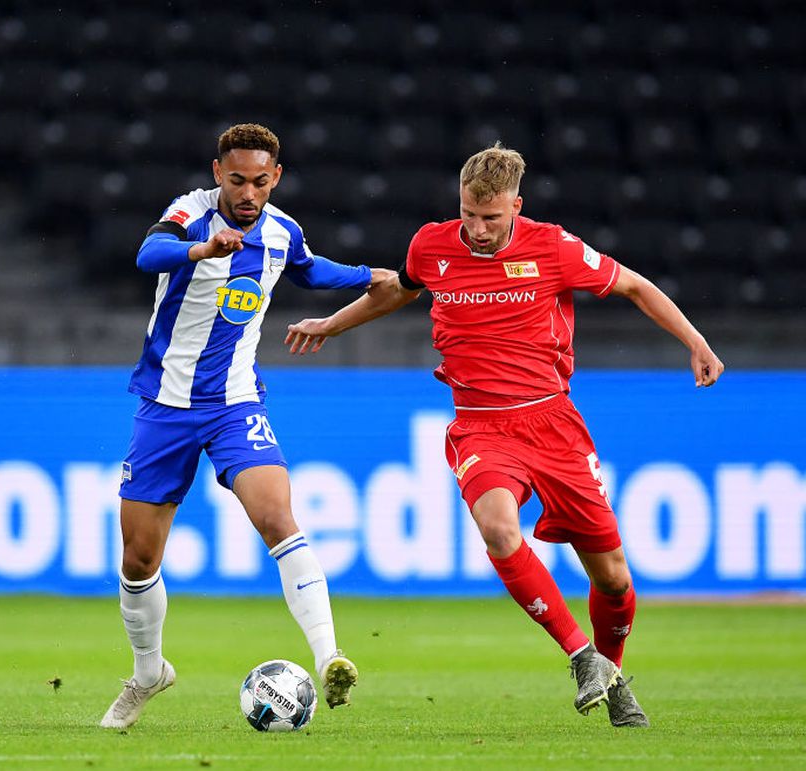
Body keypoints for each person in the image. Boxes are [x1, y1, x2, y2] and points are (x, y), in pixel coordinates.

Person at [284, 143, 724, 728]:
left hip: (553, 424)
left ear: (518, 204)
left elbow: (635, 287)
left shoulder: (554, 247)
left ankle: (611, 677)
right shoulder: (431, 244)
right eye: (469, 214)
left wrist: (694, 341)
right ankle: (579, 653)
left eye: (491, 218)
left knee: (614, 578)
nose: (478, 228)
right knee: (496, 526)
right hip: (480, 425)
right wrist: (331, 325)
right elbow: (399, 288)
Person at [101, 123, 393, 729]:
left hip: (236, 403)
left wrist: (369, 275)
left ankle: (330, 656)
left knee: (277, 517)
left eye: (260, 181)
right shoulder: (190, 212)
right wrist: (199, 251)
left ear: (275, 178)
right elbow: (146, 254)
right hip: (165, 403)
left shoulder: (282, 231)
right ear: (217, 173)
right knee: (137, 556)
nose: (247, 192)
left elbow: (311, 272)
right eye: (236, 180)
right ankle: (149, 670)